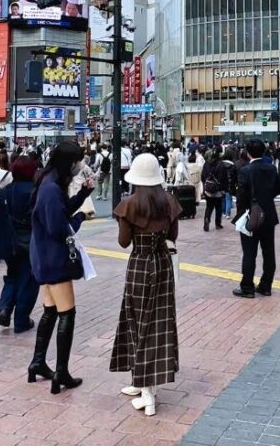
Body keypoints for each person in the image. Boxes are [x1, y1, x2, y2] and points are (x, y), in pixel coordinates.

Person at [110, 153, 180, 417]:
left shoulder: (128, 205)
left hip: (139, 264)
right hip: (162, 264)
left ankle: (147, 392)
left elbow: (123, 242)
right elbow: (172, 236)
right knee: (160, 321)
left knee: (137, 320)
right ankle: (143, 381)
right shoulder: (169, 202)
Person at [27, 142, 95, 394]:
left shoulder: (48, 182)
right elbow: (59, 227)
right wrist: (80, 218)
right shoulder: (52, 188)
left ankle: (37, 362)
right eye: (78, 160)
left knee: (50, 310)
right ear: (69, 162)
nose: (80, 165)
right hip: (54, 257)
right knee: (67, 312)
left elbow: (58, 212)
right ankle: (61, 372)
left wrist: (82, 196)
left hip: (42, 254)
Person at [0, 156, 41, 334]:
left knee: (12, 275)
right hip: (29, 242)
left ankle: (5, 307)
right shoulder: (35, 191)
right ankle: (21, 320)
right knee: (28, 281)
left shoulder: (6, 190)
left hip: (10, 242)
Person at [233, 139, 280, 297]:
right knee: (269, 252)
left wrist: (240, 216)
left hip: (250, 216)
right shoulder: (272, 169)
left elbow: (240, 196)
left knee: (249, 253)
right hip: (268, 215)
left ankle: (247, 287)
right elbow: (277, 189)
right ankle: (266, 285)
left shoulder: (245, 171)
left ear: (248, 153)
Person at [200, 151, 227, 232]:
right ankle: (218, 224)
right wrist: (224, 188)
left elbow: (203, 176)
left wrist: (206, 185)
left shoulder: (206, 164)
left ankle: (207, 219)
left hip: (208, 190)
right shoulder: (221, 165)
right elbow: (224, 178)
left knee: (209, 207)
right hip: (218, 190)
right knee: (218, 208)